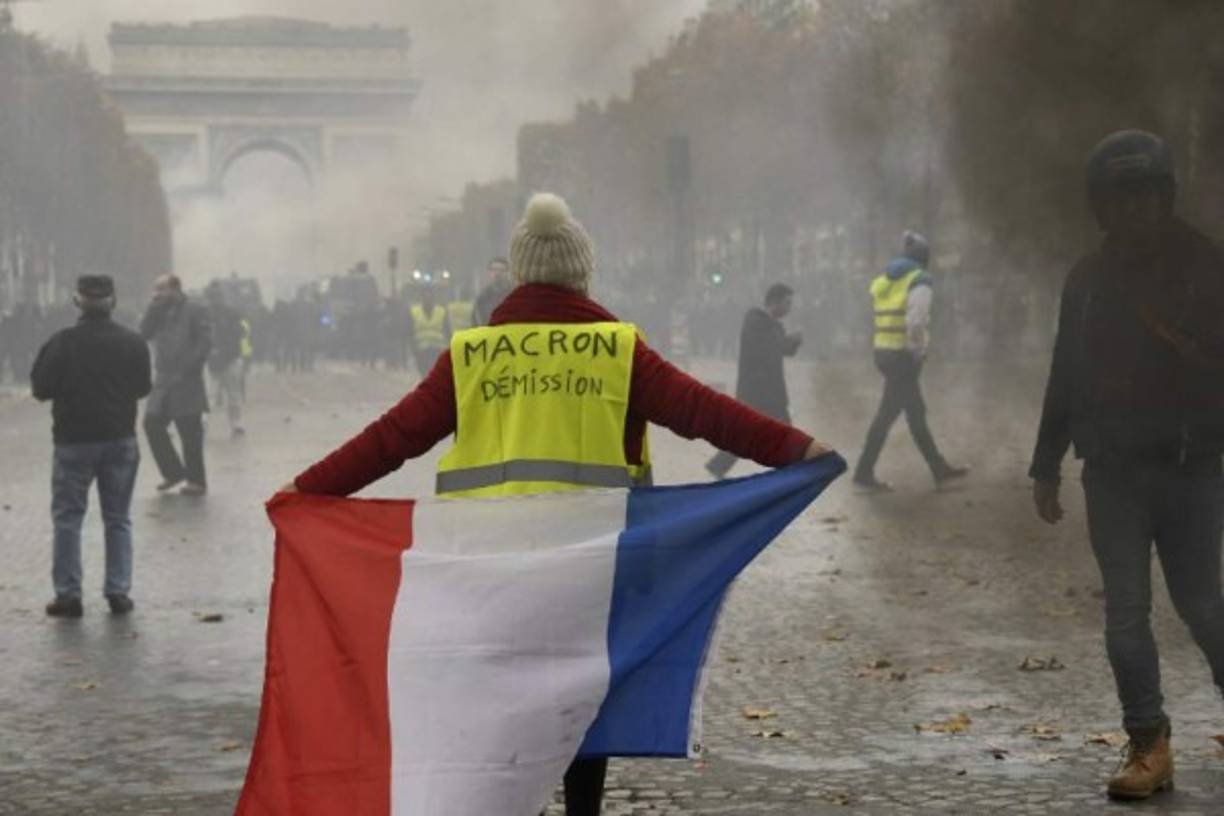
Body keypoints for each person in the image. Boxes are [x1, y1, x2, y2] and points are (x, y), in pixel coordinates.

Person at [280, 193, 833, 816]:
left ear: (518, 271)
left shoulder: (470, 355)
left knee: (503, 706)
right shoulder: (618, 350)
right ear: (581, 270)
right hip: (593, 568)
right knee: (581, 701)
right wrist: (797, 449)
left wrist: (309, 490)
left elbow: (390, 440)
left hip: (487, 570)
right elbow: (707, 414)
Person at [1029, 130, 1224, 801]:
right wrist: (1045, 461)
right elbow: (1065, 370)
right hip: (1111, 472)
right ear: (1101, 208)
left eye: (1145, 197)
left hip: (1190, 468)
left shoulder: (1208, 266)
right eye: (1120, 199)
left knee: (1203, 606)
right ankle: (1149, 743)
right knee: (1125, 615)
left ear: (1165, 198)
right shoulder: (1084, 281)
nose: (1134, 211)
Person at [30, 275, 151, 617]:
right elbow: (143, 386)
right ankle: (118, 590)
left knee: (68, 518)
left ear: (76, 301)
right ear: (113, 301)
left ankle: (68, 594)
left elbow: (40, 388)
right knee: (118, 518)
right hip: (119, 437)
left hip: (73, 440)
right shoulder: (132, 342)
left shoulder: (62, 342)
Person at [852, 231, 967, 491]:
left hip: (883, 353)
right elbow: (916, 321)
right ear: (924, 259)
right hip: (903, 357)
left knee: (913, 413)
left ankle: (937, 468)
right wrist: (919, 350)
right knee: (890, 415)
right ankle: (864, 471)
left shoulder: (885, 280)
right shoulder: (920, 280)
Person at [706, 283, 802, 479]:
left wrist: (794, 342)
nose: (789, 308)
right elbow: (767, 350)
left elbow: (784, 350)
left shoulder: (776, 325)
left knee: (771, 433)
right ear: (774, 301)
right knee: (750, 434)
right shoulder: (755, 321)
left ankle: (717, 467)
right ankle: (793, 473)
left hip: (773, 392)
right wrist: (788, 341)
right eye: (787, 303)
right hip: (755, 391)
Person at [140, 274, 212, 496]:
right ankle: (173, 472)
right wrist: (153, 309)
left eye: (161, 289)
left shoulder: (195, 309)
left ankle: (197, 480)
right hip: (163, 380)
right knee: (151, 424)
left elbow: (204, 342)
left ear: (175, 289)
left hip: (186, 379)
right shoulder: (159, 311)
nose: (157, 294)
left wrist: (190, 366)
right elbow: (144, 333)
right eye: (155, 290)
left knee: (189, 431)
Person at [205, 283, 246, 438]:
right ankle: (237, 424)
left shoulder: (205, 314)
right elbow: (241, 332)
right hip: (230, 358)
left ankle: (204, 425)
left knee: (211, 396)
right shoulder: (232, 313)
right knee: (232, 395)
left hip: (219, 359)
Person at [407, 287, 450, 377]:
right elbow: (409, 332)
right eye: (425, 296)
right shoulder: (414, 311)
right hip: (421, 350)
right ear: (422, 298)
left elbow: (447, 330)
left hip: (437, 349)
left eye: (430, 296)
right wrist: (413, 349)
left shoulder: (441, 311)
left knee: (436, 375)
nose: (428, 298)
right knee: (424, 374)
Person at [472, 256, 513, 327]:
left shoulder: (514, 294)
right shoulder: (482, 297)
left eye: (501, 270)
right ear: (489, 272)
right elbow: (475, 321)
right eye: (494, 270)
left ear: (508, 272)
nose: (497, 273)